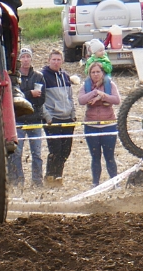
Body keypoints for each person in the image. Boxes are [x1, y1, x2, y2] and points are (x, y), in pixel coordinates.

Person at [79, 59, 121, 184]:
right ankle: (95, 183)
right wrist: (94, 93)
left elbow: (117, 100)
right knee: (95, 157)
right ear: (89, 74)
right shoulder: (85, 86)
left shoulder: (110, 85)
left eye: (98, 72)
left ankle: (114, 182)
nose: (96, 74)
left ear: (102, 73)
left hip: (109, 124)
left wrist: (102, 95)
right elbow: (81, 100)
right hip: (91, 125)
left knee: (109, 156)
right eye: (93, 72)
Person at [9, 47, 45, 188]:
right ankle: (18, 180)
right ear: (19, 60)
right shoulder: (14, 78)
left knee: (37, 154)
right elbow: (13, 98)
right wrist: (30, 93)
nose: (25, 59)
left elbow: (41, 98)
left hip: (35, 119)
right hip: (18, 120)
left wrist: (26, 96)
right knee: (16, 154)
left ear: (31, 58)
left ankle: (37, 181)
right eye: (23, 57)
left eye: (28, 56)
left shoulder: (38, 76)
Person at [40, 47, 77, 184]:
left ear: (62, 61)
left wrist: (73, 114)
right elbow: (40, 100)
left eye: (58, 59)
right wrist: (47, 116)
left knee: (66, 151)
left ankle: (58, 175)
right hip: (53, 118)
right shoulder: (42, 76)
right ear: (49, 60)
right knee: (55, 149)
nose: (56, 62)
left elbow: (70, 97)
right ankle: (50, 175)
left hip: (67, 118)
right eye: (53, 59)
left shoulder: (65, 76)